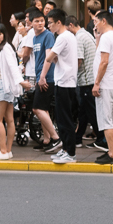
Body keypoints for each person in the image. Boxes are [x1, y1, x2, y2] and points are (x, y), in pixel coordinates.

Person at [39, 9, 80, 164]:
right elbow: (58, 58)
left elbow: (49, 57)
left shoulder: (63, 37)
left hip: (65, 82)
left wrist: (42, 76)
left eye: (50, 23)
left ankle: (70, 153)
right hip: (64, 81)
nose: (48, 26)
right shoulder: (68, 36)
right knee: (63, 118)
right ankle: (65, 150)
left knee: (65, 120)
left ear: (58, 22)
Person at [0, 24, 27, 160]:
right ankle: (7, 150)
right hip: (8, 87)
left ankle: (3, 151)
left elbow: (12, 68)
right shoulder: (6, 48)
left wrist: (21, 82)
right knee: (9, 119)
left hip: (4, 86)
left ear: (4, 34)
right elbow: (9, 68)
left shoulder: (5, 49)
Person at [89, 12, 113, 164]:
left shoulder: (106, 37)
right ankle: (112, 151)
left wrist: (97, 83)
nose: (94, 25)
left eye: (96, 21)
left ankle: (112, 154)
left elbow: (104, 62)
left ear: (104, 21)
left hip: (106, 84)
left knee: (107, 120)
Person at [27, 9, 60, 152]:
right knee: (43, 109)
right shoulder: (35, 38)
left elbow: (49, 58)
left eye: (42, 21)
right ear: (31, 23)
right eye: (37, 21)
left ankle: (55, 138)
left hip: (47, 78)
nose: (40, 23)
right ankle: (47, 140)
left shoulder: (48, 36)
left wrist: (42, 77)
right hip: (41, 77)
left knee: (37, 109)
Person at [67, 16, 98, 150]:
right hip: (90, 78)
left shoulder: (79, 38)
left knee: (90, 111)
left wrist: (71, 74)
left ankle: (101, 137)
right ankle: (78, 137)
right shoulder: (87, 34)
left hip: (86, 79)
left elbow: (78, 61)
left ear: (70, 25)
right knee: (84, 112)